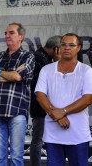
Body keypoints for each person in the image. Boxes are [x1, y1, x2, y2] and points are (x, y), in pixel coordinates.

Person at [35, 33, 92, 166]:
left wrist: (64, 111)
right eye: (63, 44)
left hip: (77, 134)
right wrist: (58, 115)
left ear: (79, 48)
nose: (67, 47)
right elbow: (40, 95)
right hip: (53, 134)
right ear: (59, 47)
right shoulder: (46, 70)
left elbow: (88, 98)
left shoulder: (86, 71)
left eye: (71, 45)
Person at [0, 23, 35, 166]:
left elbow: (17, 77)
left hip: (16, 112)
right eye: (5, 33)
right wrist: (10, 74)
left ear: (21, 37)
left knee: (16, 157)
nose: (7, 36)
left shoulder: (28, 56)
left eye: (11, 33)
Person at [29, 35, 62, 166]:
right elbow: (50, 83)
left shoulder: (43, 58)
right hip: (41, 107)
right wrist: (57, 63)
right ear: (56, 49)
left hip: (45, 107)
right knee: (38, 141)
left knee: (43, 140)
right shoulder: (39, 59)